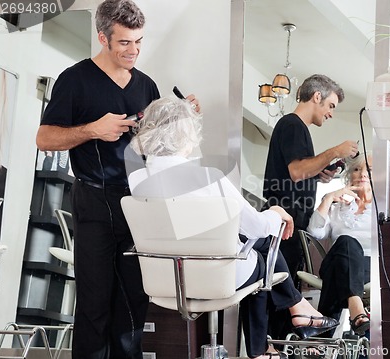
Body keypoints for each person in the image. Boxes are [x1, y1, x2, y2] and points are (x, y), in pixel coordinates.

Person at [35, 1, 199, 358]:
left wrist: (180, 114)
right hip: (94, 200)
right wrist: (94, 129)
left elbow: (159, 144)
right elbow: (45, 138)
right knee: (95, 302)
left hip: (139, 204)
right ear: (103, 38)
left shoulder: (147, 85)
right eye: (125, 42)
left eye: (139, 41)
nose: (134, 50)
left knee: (133, 303)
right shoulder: (75, 80)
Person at [127, 96, 339, 359]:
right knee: (263, 257)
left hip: (164, 278)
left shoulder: (137, 182)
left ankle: (286, 324)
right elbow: (259, 227)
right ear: (186, 133)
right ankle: (283, 324)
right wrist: (275, 213)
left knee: (256, 249)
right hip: (215, 274)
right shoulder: (207, 177)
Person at [262, 74, 359, 338]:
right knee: (278, 290)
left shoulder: (297, 129)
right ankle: (272, 347)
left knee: (284, 289)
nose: (330, 114)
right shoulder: (292, 125)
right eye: (331, 106)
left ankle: (278, 347)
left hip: (290, 222)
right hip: (284, 221)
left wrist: (319, 174)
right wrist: (335, 151)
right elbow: (295, 171)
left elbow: (298, 171)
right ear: (317, 97)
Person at [307, 152, 372, 336]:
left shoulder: (381, 210)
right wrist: (328, 198)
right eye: (357, 169)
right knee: (345, 242)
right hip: (335, 263)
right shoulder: (336, 208)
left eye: (370, 170)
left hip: (368, 268)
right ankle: (357, 309)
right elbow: (315, 232)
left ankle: (321, 339)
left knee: (339, 271)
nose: (362, 174)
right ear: (349, 175)